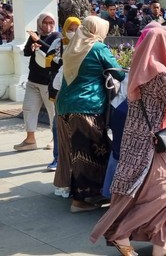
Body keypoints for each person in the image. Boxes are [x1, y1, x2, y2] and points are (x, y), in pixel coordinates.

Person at [90, 26, 166, 256]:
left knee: (142, 191)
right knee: (165, 191)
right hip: (147, 143)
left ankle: (159, 244)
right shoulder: (158, 74)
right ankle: (121, 234)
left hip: (136, 138)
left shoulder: (140, 66)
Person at [55, 16, 125, 212]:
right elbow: (118, 73)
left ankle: (77, 192)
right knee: (87, 153)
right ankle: (80, 200)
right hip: (87, 107)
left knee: (72, 151)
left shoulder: (72, 46)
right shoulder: (97, 48)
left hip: (64, 106)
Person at [15, 13, 60, 151]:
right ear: (40, 23)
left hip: (48, 81)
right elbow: (27, 53)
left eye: (51, 23)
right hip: (33, 79)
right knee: (29, 109)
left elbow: (52, 51)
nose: (48, 26)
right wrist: (32, 45)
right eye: (45, 23)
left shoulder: (56, 36)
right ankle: (30, 140)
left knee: (52, 111)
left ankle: (55, 139)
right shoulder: (35, 34)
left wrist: (38, 41)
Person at [46, 16, 81, 186]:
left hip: (76, 90)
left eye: (76, 28)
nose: (73, 31)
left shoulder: (83, 43)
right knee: (57, 123)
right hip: (59, 89)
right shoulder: (58, 44)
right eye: (70, 28)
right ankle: (57, 158)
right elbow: (47, 64)